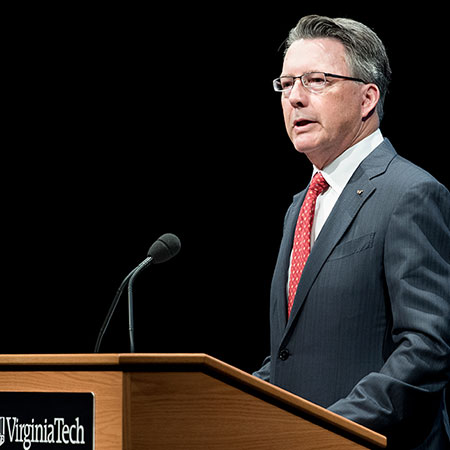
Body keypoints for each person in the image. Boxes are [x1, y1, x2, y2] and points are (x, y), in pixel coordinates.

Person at [253, 15, 450, 449]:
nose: (296, 99)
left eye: (316, 80)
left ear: (367, 98)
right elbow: (293, 354)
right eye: (286, 85)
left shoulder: (410, 194)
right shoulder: (299, 207)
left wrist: (329, 428)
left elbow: (425, 350)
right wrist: (231, 403)